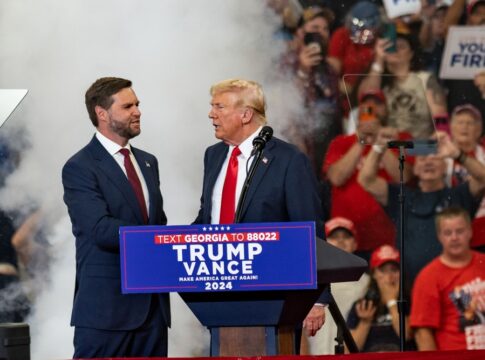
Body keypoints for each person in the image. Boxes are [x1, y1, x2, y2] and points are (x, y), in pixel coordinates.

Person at [193, 78, 327, 344]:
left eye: (219, 106)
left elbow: (310, 231)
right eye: (212, 107)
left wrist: (317, 299)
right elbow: (207, 217)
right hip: (218, 289)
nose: (211, 114)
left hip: (274, 296)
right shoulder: (214, 156)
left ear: (245, 114)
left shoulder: (289, 159)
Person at [62, 77, 170, 358]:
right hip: (105, 315)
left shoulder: (148, 162)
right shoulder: (79, 167)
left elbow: (159, 222)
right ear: (102, 113)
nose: (137, 111)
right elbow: (100, 229)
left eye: (137, 104)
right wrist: (160, 240)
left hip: (152, 313)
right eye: (127, 106)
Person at [358, 130, 485, 288]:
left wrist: (458, 154)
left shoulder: (459, 195)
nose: (428, 162)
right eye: (423, 158)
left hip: (454, 285)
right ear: (415, 169)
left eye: (434, 158)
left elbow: (482, 178)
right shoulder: (401, 196)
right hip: (409, 287)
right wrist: (378, 148)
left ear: (445, 166)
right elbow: (366, 180)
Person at [323, 90, 412, 260]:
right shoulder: (341, 142)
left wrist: (380, 141)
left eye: (377, 104)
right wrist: (361, 141)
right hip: (346, 238)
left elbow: (404, 177)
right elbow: (336, 178)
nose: (371, 109)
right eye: (366, 105)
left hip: (387, 237)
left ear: (386, 110)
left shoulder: (401, 139)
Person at [410, 206, 485, 350]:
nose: (454, 237)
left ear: (470, 231)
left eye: (460, 231)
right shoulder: (428, 276)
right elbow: (422, 332)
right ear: (439, 236)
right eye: (448, 232)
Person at [282, 5, 341, 174]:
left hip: (327, 149)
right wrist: (302, 71)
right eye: (315, 28)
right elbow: (284, 107)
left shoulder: (328, 68)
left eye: (325, 28)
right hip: (298, 150)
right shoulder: (286, 62)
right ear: (300, 32)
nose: (321, 33)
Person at [359, 27, 447, 139]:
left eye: (401, 47)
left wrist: (436, 143)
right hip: (389, 148)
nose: (396, 50)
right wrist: (379, 60)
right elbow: (366, 102)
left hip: (421, 148)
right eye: (391, 47)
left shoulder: (425, 79)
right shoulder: (380, 81)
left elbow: (440, 119)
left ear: (411, 54)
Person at [306, 217, 369, 354]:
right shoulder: (310, 280)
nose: (340, 241)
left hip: (352, 352)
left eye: (346, 237)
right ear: (324, 243)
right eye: (334, 236)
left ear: (355, 244)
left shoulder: (367, 282)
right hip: (314, 354)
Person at [346, 245, 413, 352]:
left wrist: (392, 302)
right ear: (374, 274)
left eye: (394, 270)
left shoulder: (410, 302)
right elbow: (349, 351)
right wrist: (365, 322)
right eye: (383, 270)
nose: (389, 276)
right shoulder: (363, 305)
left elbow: (406, 335)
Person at [446, 104, 485, 252]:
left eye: (470, 123)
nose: (465, 127)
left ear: (479, 129)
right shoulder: (439, 154)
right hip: (448, 226)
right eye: (460, 122)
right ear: (451, 127)